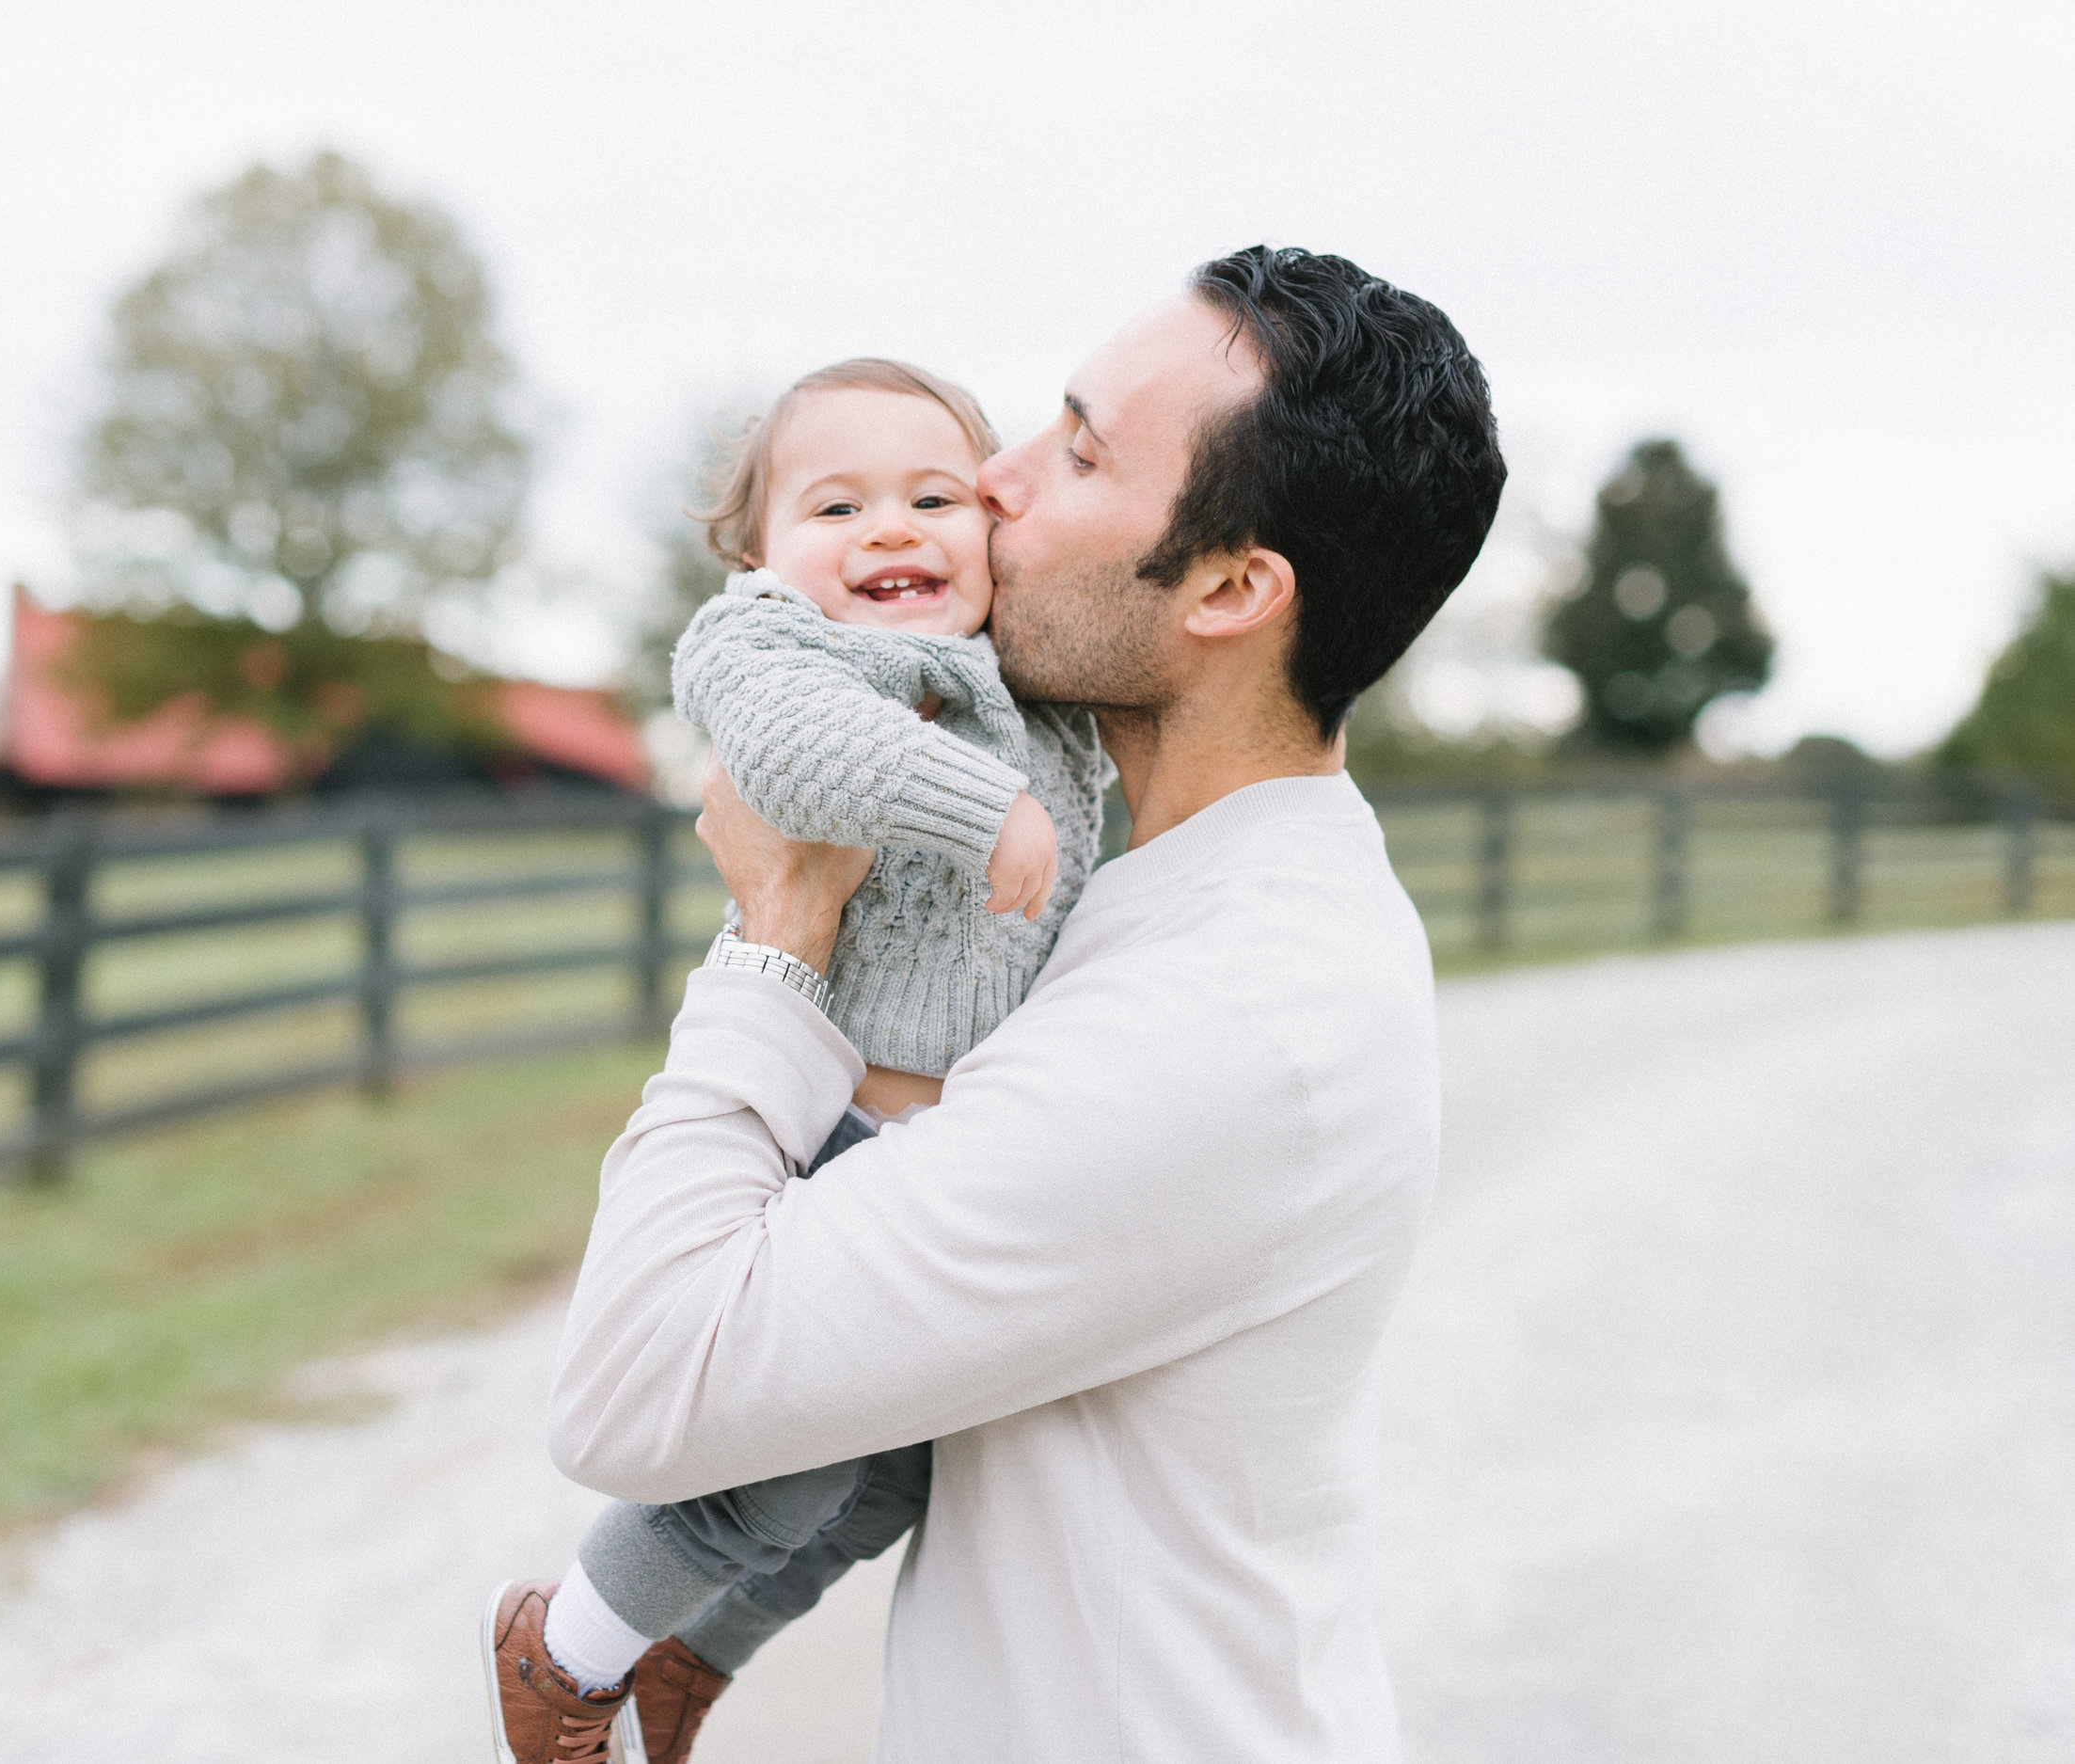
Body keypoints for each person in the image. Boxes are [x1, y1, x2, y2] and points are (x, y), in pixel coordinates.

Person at [537, 246, 1505, 1760]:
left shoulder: (1228, 1022)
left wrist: (780, 932)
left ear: (1233, 588)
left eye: (1079, 449)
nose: (990, 479)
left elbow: (640, 1390)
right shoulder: (1160, 898)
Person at [483, 358, 1111, 1764]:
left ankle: (687, 1658)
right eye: (838, 506)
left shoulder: (1029, 686)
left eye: (935, 496)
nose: (892, 528)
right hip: (821, 1129)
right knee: (789, 1460)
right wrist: (983, 808)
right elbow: (795, 752)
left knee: (900, 1476)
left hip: (939, 1154)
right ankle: (564, 1655)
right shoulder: (773, 650)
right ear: (758, 558)